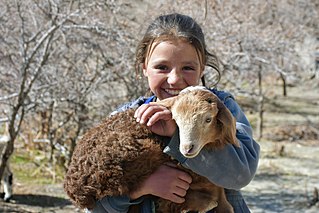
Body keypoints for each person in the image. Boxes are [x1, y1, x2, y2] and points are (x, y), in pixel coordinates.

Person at [91, 13, 260, 213]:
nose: (174, 80)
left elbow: (241, 174)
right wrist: (140, 188)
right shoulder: (126, 119)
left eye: (187, 67)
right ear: (144, 67)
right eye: (162, 67)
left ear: (202, 69)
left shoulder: (220, 108)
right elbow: (93, 203)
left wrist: (177, 137)